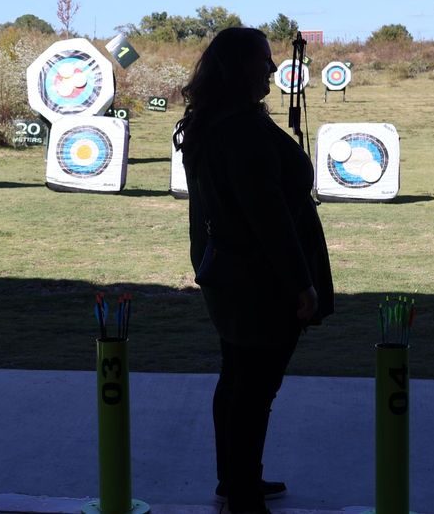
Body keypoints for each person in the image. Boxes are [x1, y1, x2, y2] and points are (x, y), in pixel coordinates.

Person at [174, 27, 334, 514]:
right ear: (239, 68)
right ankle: (243, 492)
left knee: (239, 380)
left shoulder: (218, 121)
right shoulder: (239, 129)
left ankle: (237, 480)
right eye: (263, 61)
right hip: (259, 282)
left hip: (233, 276)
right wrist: (300, 283)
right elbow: (267, 217)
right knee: (254, 389)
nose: (271, 68)